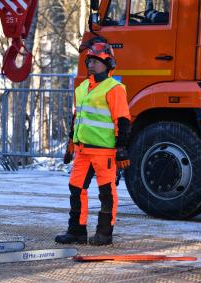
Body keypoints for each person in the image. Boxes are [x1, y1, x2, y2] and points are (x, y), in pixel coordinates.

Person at [55, 41, 131, 246]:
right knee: (76, 189)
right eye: (89, 60)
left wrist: (122, 149)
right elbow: (77, 117)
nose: (90, 64)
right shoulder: (82, 88)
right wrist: (71, 142)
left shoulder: (114, 88)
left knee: (106, 192)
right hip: (82, 151)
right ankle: (77, 231)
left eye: (96, 61)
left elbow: (123, 120)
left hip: (104, 152)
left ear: (108, 64)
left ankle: (104, 234)